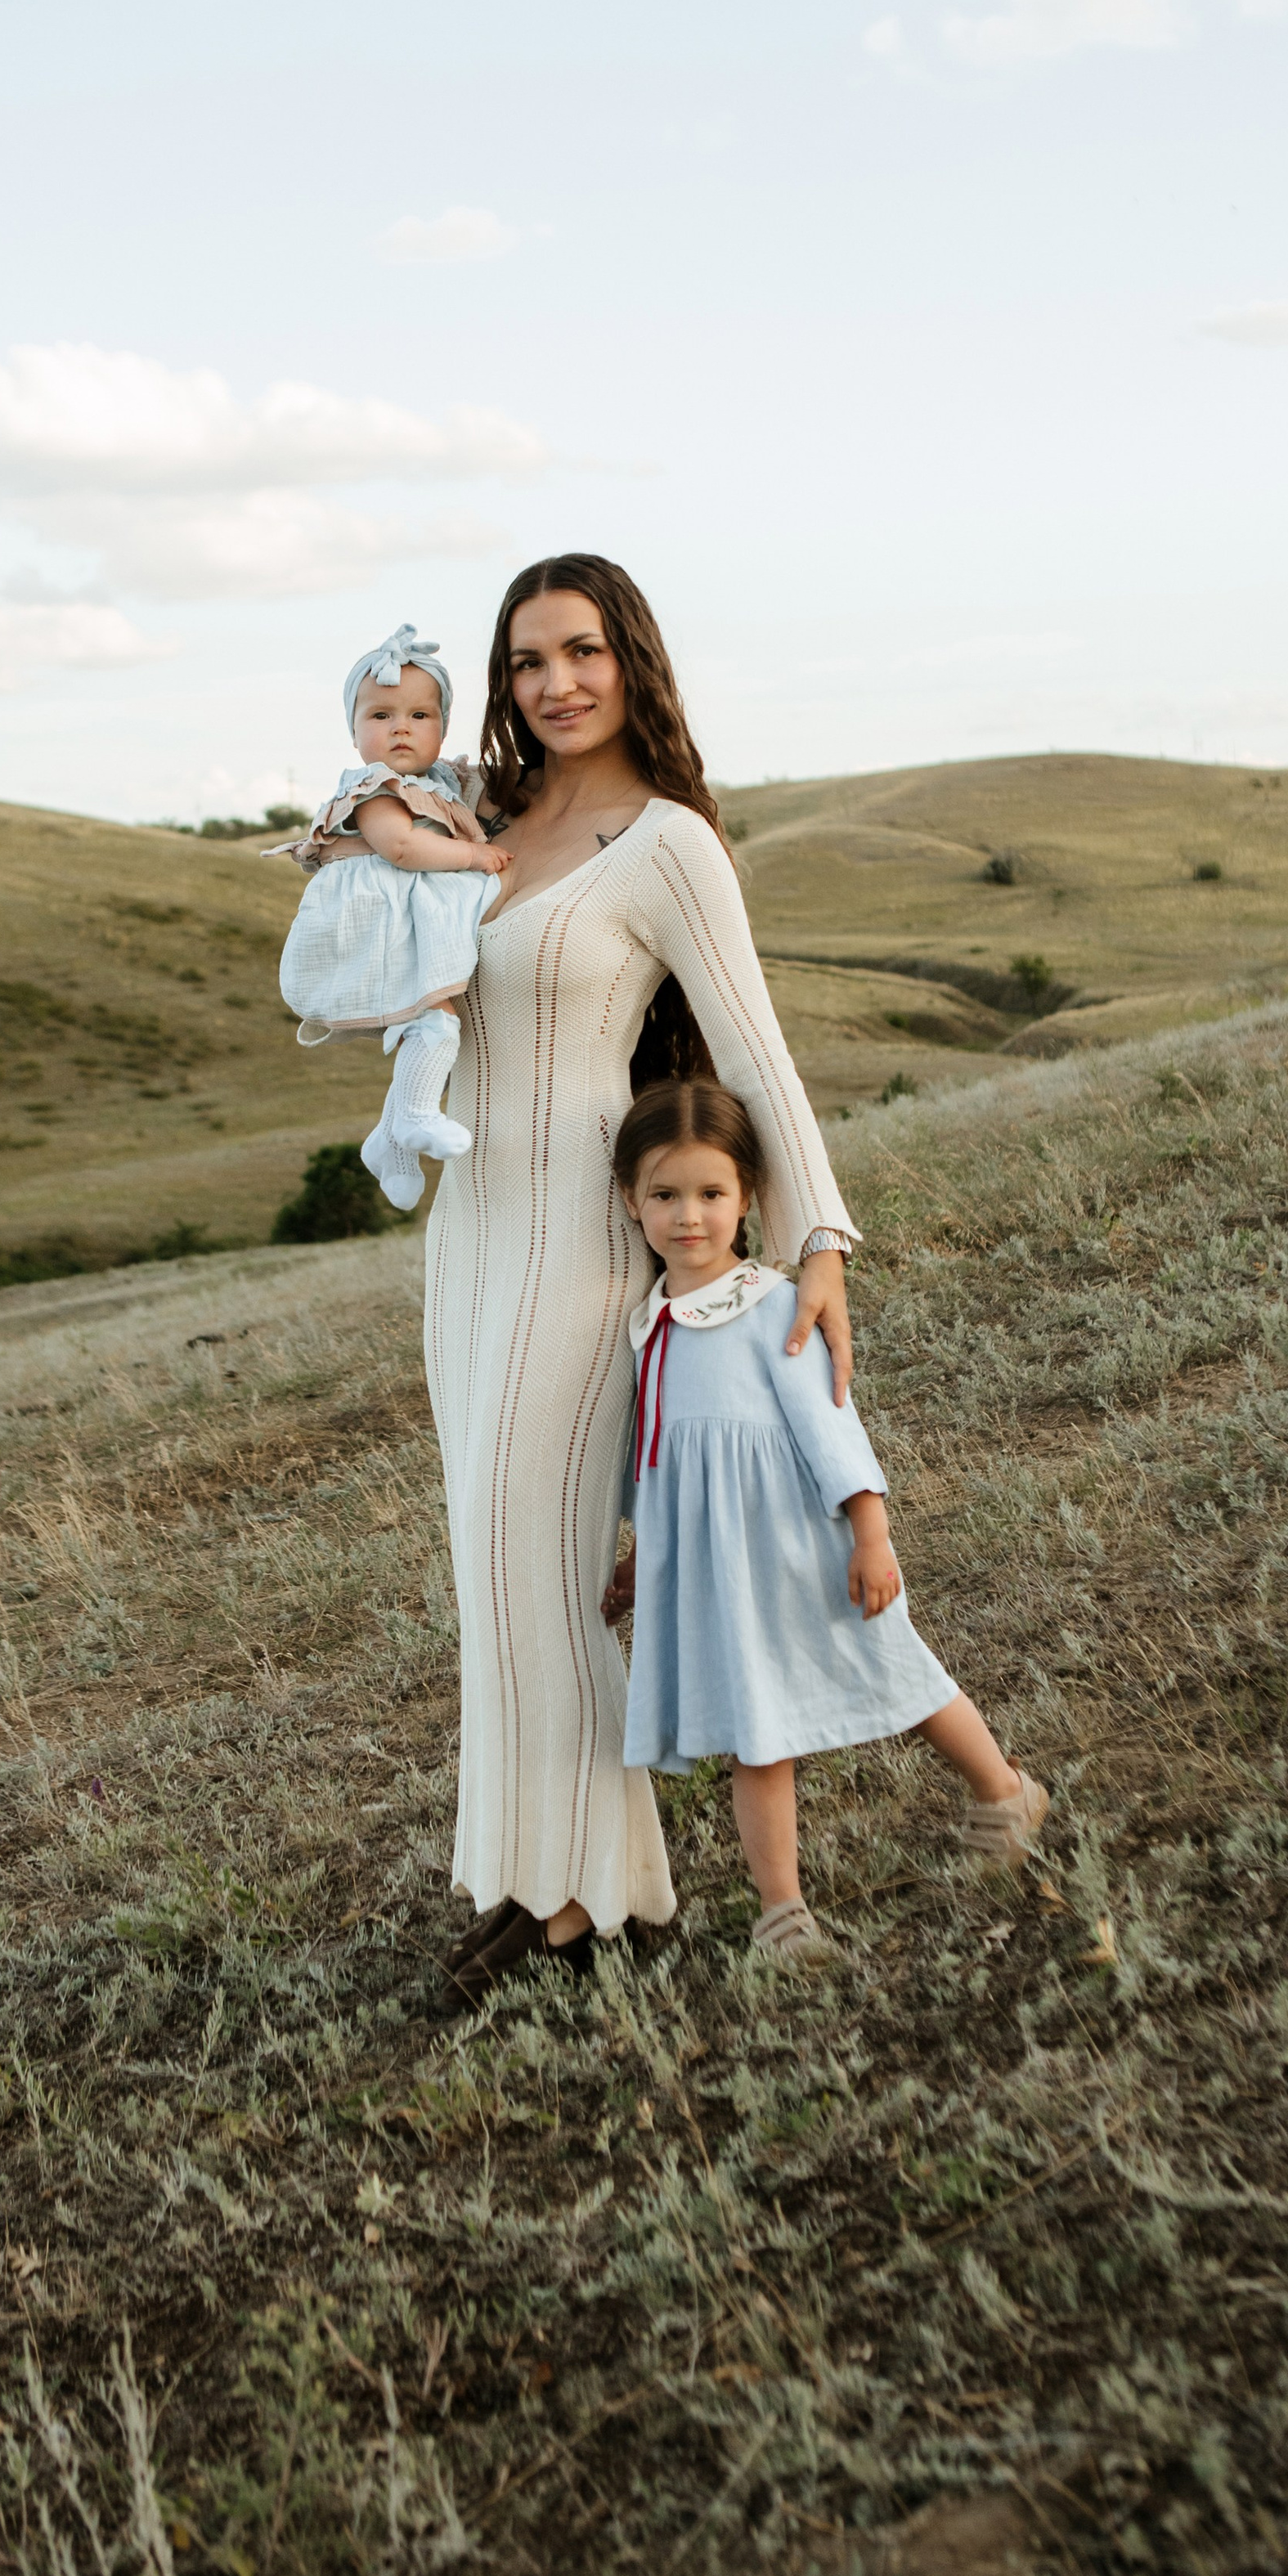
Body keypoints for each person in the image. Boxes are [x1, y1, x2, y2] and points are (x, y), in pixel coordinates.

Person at [432, 554, 859, 2010]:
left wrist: (819, 1241)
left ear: (633, 661)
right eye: (527, 660)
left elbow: (752, 1053)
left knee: (534, 1562)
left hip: (576, 1236)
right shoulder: (478, 822)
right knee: (490, 1579)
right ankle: (529, 1880)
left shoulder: (664, 840)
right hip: (465, 1238)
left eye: (581, 651)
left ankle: (595, 1907)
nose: (554, 684)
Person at [604, 1075, 1048, 1961]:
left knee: (897, 1670)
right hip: (714, 1569)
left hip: (804, 1545)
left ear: (748, 1197)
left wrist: (870, 1533)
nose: (687, 1216)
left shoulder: (775, 1304)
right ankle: (783, 1913)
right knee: (754, 1733)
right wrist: (641, 1548)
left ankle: (1005, 1791)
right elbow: (656, 1454)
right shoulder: (645, 1326)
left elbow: (830, 1424)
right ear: (631, 1200)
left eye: (710, 1193)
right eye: (664, 1194)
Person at [272, 623, 512, 1210]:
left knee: (426, 1023)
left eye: (419, 715)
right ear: (354, 732)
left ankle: (392, 1142)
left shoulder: (439, 783)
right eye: (380, 715)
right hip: (378, 922)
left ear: (443, 727)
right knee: (434, 1021)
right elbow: (401, 849)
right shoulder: (374, 789)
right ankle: (416, 1117)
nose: (400, 727)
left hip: (410, 917)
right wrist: (474, 856)